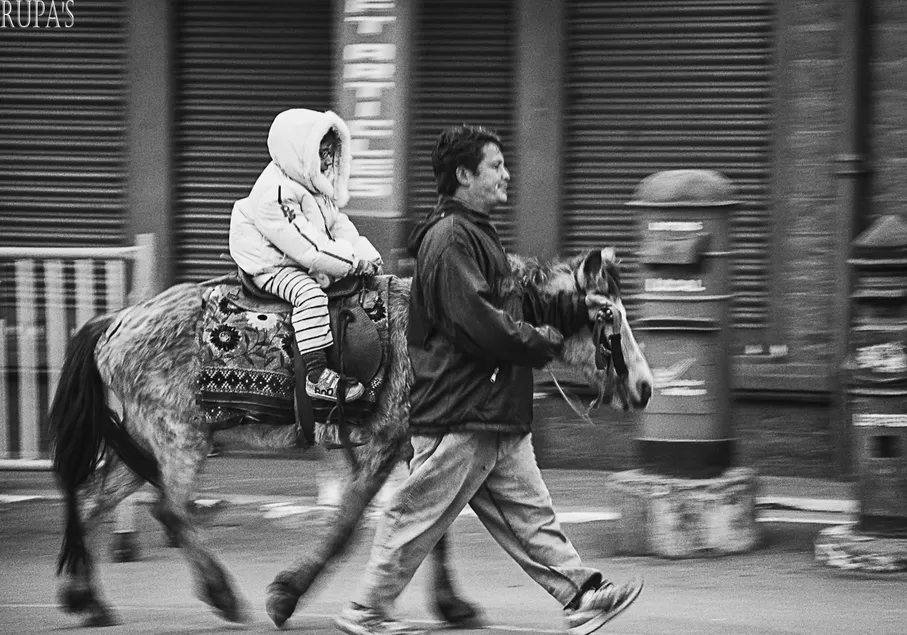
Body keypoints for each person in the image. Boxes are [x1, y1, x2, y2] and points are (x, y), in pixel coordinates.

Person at [335, 125, 642, 635]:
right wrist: (545, 342)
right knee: (416, 515)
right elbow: (478, 321)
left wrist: (570, 308)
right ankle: (366, 609)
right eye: (495, 166)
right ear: (463, 175)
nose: (506, 175)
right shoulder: (448, 240)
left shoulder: (476, 235)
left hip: (494, 408)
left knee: (531, 517)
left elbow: (512, 302)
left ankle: (584, 596)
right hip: (462, 408)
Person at [230, 108, 382, 402]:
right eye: (321, 152)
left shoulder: (313, 184)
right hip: (272, 264)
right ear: (299, 151)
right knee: (309, 294)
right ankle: (316, 375)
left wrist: (366, 254)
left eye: (331, 152)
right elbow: (310, 248)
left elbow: (336, 225)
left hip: (296, 257)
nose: (327, 159)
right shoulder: (275, 194)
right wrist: (352, 263)